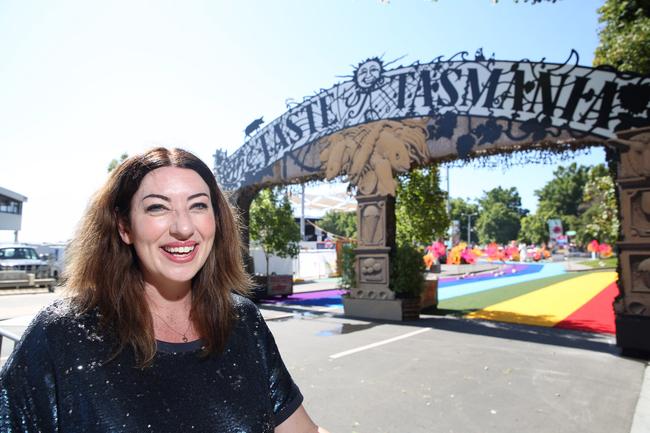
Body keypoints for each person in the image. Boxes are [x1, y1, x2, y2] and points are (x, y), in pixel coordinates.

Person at [0, 147, 329, 433]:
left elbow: (304, 429)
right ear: (124, 226)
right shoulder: (63, 334)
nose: (184, 227)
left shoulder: (242, 320)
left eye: (198, 206)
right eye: (157, 207)